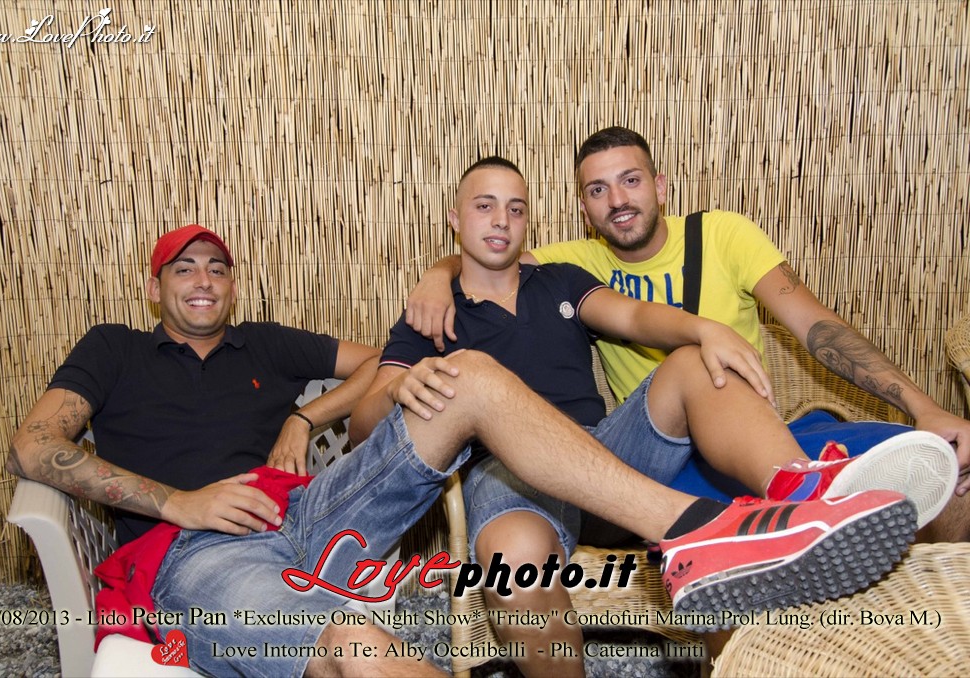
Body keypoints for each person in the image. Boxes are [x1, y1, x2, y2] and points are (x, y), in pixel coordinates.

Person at [9, 224, 915, 677]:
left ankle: (699, 532)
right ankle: (716, 532)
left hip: (310, 509)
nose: (204, 280)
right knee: (356, 647)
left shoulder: (267, 344)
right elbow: (35, 444)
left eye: (217, 266)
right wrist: (181, 502)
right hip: (200, 550)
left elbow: (386, 364)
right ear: (156, 285)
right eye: (184, 268)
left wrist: (310, 417)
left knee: (469, 375)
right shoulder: (114, 348)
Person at [354, 157, 944, 677]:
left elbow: (635, 317)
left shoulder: (559, 280)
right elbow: (362, 427)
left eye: (516, 208)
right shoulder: (428, 317)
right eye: (484, 206)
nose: (501, 220)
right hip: (508, 478)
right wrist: (403, 385)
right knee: (514, 568)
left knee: (692, 361)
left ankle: (803, 500)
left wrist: (703, 328)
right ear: (455, 220)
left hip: (606, 458)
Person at [407, 126, 969, 511]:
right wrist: (437, 273)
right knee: (695, 375)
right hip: (667, 455)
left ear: (660, 186)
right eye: (598, 190)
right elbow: (491, 251)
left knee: (938, 471)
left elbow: (817, 327)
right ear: (584, 209)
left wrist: (923, 407)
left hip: (758, 437)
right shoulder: (574, 267)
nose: (617, 200)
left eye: (631, 180)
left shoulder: (723, 234)